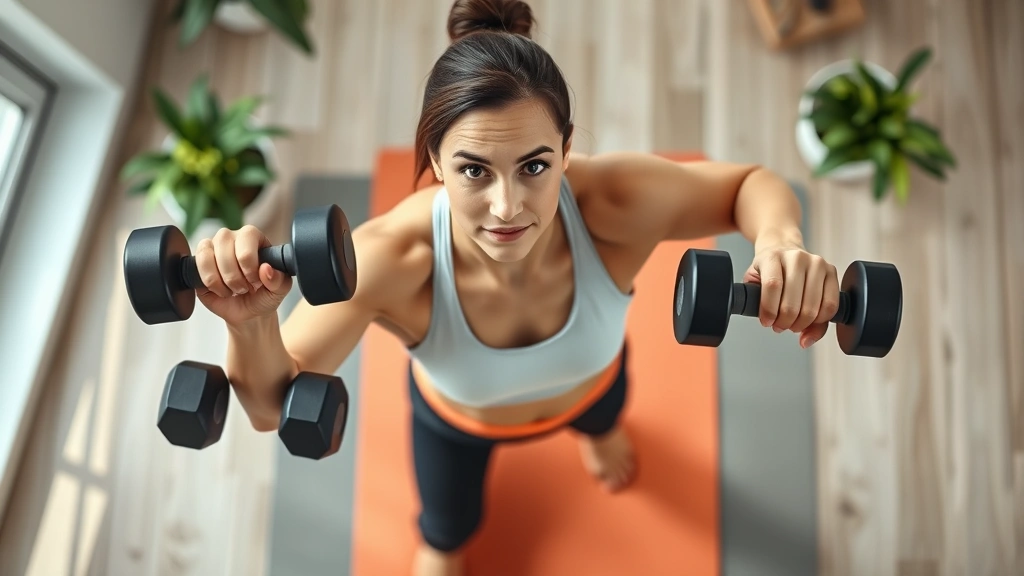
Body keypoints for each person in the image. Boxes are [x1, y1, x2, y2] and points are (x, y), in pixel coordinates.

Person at [193, 0, 842, 574]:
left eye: (534, 166)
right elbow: (269, 405)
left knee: (607, 413)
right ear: (436, 163)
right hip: (456, 423)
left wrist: (781, 241)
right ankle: (447, 546)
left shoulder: (610, 203)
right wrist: (249, 322)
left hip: (592, 383)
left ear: (565, 149)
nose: (508, 207)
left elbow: (748, 188)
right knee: (447, 527)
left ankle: (600, 434)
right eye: (474, 170)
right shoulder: (393, 256)